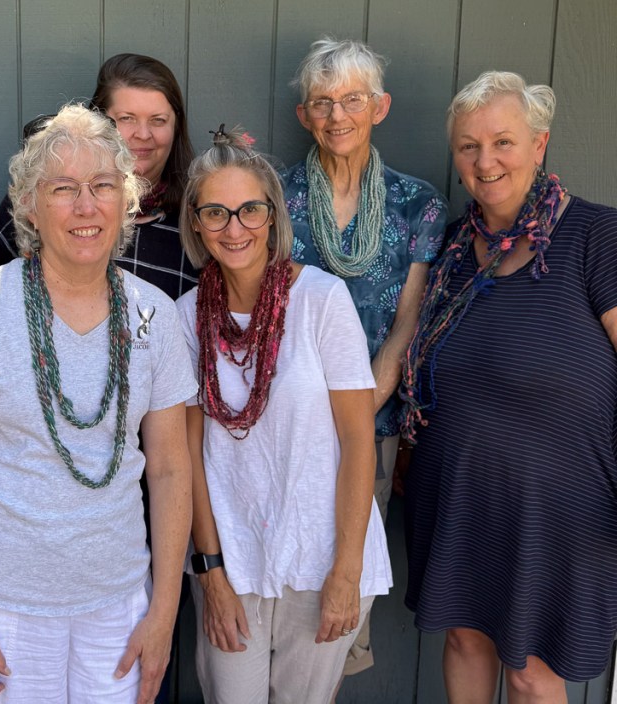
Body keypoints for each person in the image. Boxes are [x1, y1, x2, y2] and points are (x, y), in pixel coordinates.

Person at [0, 104, 195, 704]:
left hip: (117, 607)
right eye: (63, 189)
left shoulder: (156, 316)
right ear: (30, 207)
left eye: (103, 187)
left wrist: (162, 612)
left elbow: (169, 469)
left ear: (127, 201)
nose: (86, 207)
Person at [402, 71, 617, 702]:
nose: (485, 160)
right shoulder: (449, 255)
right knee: (466, 639)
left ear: (539, 145)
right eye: (469, 146)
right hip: (460, 487)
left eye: (503, 142)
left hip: (563, 504)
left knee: (530, 670)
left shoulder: (596, 237)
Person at [177, 125, 392, 704]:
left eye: (249, 209)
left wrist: (346, 573)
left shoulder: (321, 300)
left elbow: (357, 441)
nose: (235, 227)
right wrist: (210, 574)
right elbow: (188, 458)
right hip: (233, 557)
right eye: (216, 213)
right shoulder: (185, 317)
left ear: (272, 215)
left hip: (322, 554)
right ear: (195, 222)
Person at [281, 37, 446, 679]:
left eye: (352, 99)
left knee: (340, 585)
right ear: (303, 116)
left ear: (380, 107)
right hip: (282, 420)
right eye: (321, 102)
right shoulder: (275, 196)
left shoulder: (416, 204)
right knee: (281, 575)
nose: (336, 115)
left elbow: (406, 321)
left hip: (370, 424)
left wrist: (354, 409)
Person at [0, 52, 198, 300]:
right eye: (126, 118)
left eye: (158, 120)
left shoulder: (193, 223)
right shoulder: (38, 202)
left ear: (176, 126)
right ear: (97, 121)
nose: (143, 133)